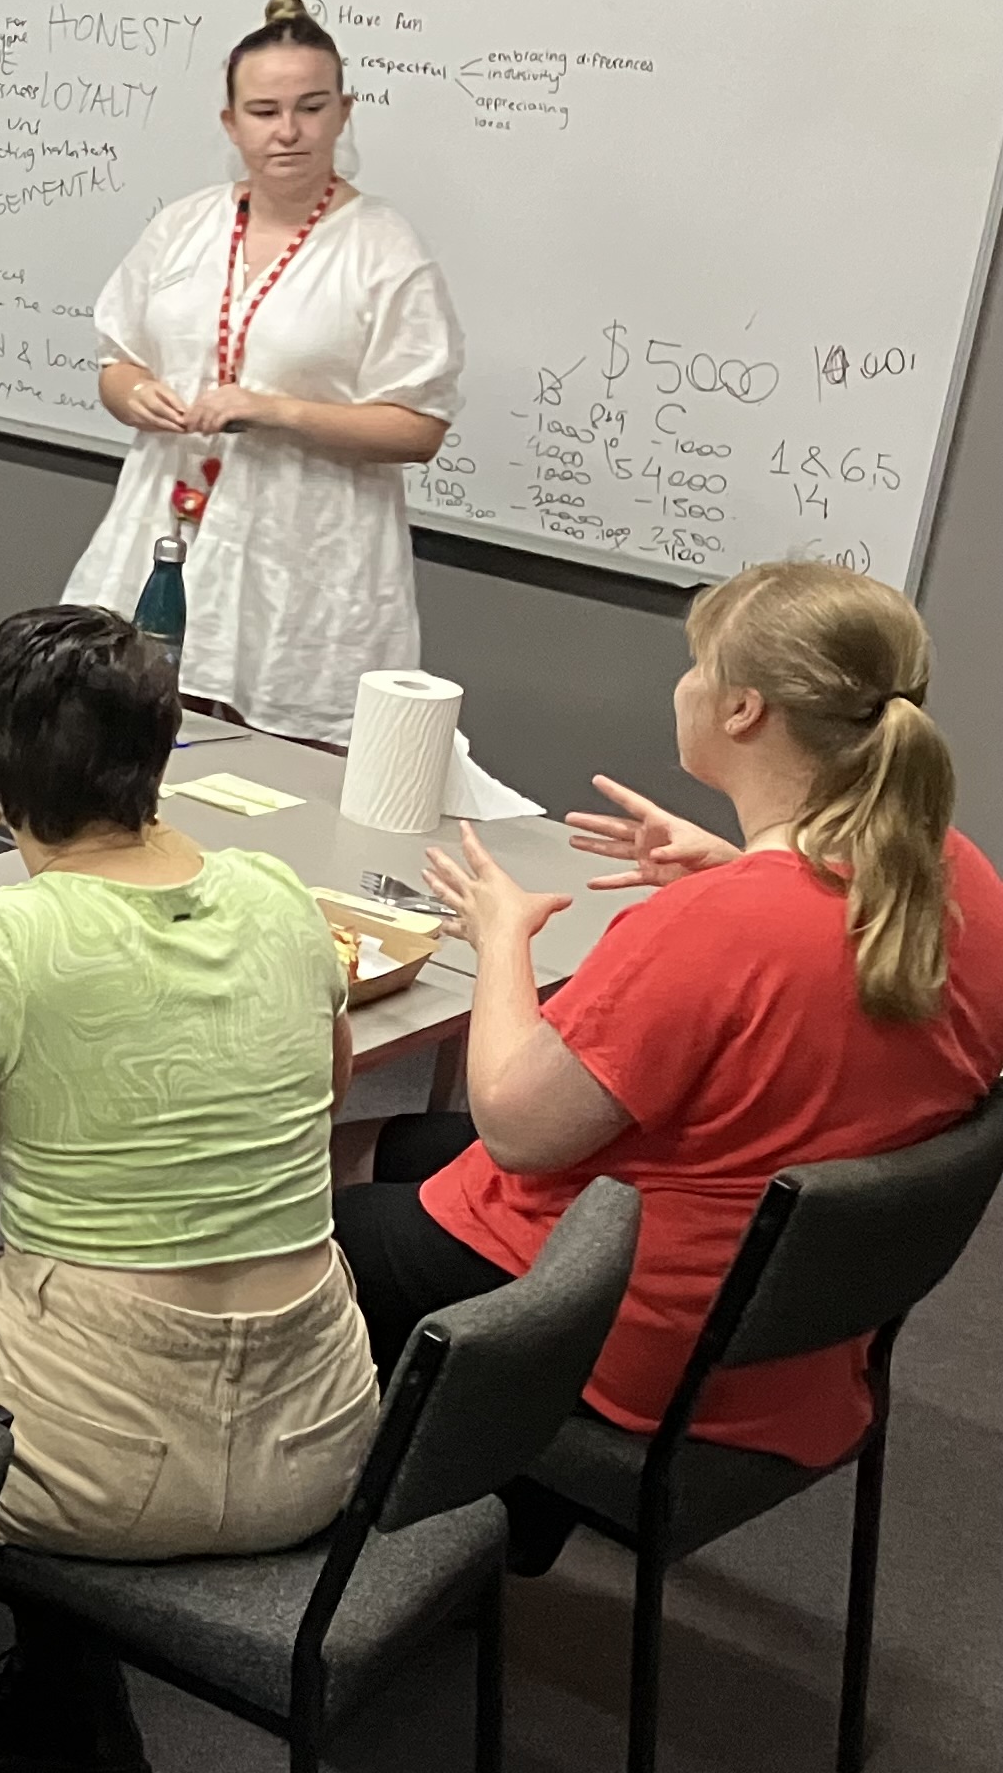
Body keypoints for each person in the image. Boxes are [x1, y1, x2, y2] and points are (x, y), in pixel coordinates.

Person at [337, 562, 1003, 1480]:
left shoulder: (720, 928)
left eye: (699, 666)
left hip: (633, 1327)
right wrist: (735, 871)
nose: (684, 684)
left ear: (744, 710)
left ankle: (379, 1519)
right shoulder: (951, 870)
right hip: (789, 1324)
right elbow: (822, 978)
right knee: (382, 1143)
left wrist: (502, 938)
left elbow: (519, 1126)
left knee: (320, 1215)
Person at [0, 605, 375, 1773]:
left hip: (94, 1463)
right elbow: (328, 1087)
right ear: (166, 751)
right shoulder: (277, 892)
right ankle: (61, 1695)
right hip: (322, 1437)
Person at [59, 0, 463, 742]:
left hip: (304, 555)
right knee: (120, 735)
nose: (287, 131)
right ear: (231, 123)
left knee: (274, 771)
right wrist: (136, 394)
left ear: (343, 113)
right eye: (265, 110)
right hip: (162, 526)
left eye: (310, 108)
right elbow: (117, 364)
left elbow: (419, 428)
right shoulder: (183, 227)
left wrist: (274, 411)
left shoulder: (382, 247)